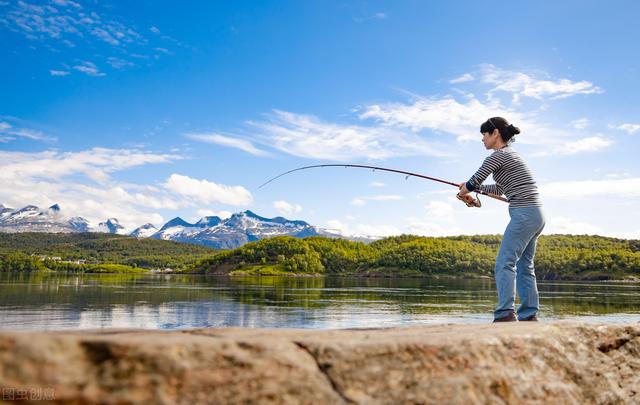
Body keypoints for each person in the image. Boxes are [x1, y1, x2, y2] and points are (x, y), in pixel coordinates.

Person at [458, 117, 545, 322]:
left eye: (484, 135)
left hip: (523, 214)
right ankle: (529, 314)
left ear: (495, 133)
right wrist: (472, 188)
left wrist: (465, 190)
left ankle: (505, 313)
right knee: (525, 266)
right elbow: (499, 189)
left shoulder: (498, 156)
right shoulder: (512, 155)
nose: (482, 139)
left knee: (504, 263)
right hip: (536, 215)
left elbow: (476, 179)